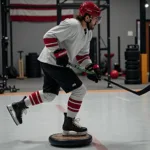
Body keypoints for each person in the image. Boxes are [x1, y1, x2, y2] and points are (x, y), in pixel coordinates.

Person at [7, 1, 101, 136]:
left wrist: (92, 67)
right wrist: (58, 52)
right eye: (96, 18)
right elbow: (48, 36)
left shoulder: (88, 34)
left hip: (51, 63)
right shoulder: (72, 25)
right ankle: (69, 122)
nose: (97, 21)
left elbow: (83, 56)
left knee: (49, 95)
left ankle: (19, 106)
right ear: (87, 17)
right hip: (53, 62)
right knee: (80, 91)